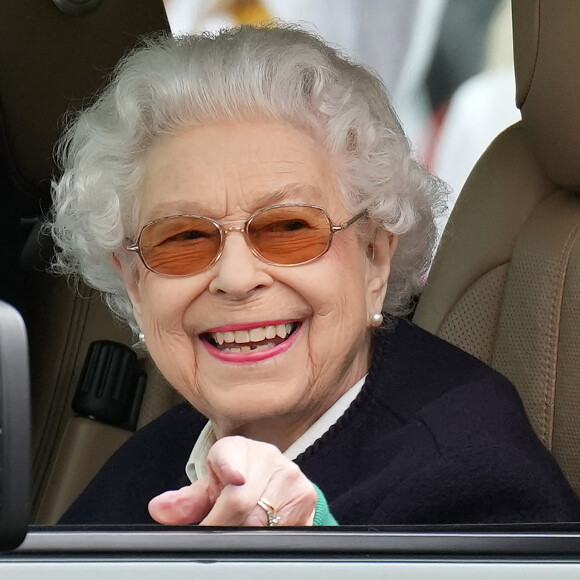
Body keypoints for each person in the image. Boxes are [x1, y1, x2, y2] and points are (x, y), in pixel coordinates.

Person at [50, 25, 580, 527]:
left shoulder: (471, 483)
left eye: (289, 228)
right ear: (135, 282)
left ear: (375, 257)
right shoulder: (161, 459)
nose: (236, 278)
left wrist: (310, 545)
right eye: (184, 239)